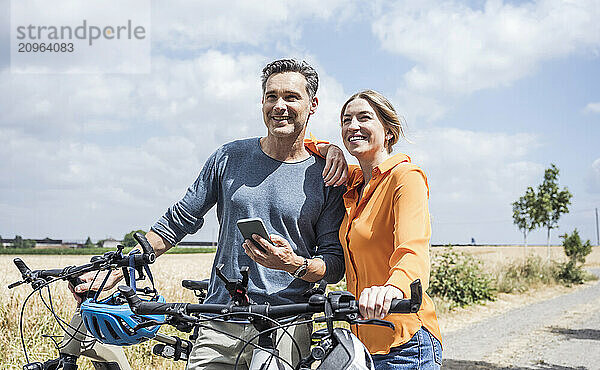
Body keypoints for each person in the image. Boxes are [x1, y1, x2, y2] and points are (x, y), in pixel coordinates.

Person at [74, 58, 349, 369]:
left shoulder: (327, 176)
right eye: (271, 96)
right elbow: (178, 220)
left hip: (285, 323)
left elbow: (333, 263)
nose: (279, 106)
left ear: (312, 104)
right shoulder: (229, 157)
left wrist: (292, 264)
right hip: (220, 318)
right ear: (261, 102)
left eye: (291, 97)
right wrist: (122, 267)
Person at [336, 90, 442, 369]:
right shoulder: (354, 184)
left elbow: (413, 249)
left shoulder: (405, 177)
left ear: (388, 132)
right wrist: (328, 149)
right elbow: (305, 146)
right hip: (361, 345)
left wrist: (392, 289)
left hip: (405, 342)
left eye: (364, 117)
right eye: (346, 120)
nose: (352, 126)